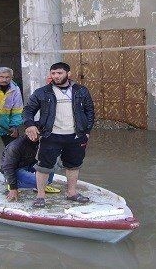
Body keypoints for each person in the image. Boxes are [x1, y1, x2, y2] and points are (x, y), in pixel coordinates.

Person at [23, 62, 95, 208]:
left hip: (76, 136)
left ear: (68, 74)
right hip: (51, 135)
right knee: (43, 166)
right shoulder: (42, 92)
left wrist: (86, 132)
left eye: (59, 73)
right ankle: (40, 196)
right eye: (53, 73)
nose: (56, 76)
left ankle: (72, 193)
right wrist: (30, 124)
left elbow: (90, 112)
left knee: (74, 165)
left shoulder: (81, 91)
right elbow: (28, 110)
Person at [0, 135, 60, 201]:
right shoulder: (15, 145)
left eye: (38, 133)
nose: (35, 135)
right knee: (41, 182)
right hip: (15, 170)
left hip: (29, 165)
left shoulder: (41, 142)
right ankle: (14, 184)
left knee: (50, 163)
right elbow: (8, 167)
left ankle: (41, 186)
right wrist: (13, 188)